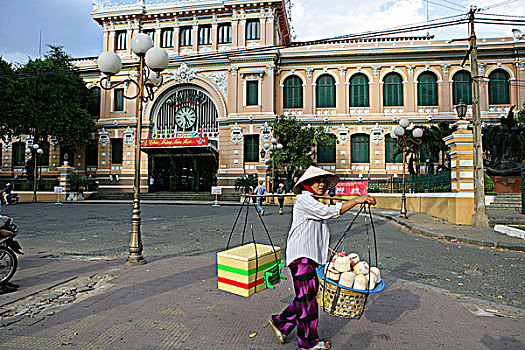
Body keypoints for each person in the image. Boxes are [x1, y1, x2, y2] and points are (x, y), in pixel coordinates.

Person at [268, 166, 376, 350]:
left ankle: (281, 322)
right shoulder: (303, 199)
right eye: (317, 181)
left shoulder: (312, 201)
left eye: (323, 182)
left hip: (311, 257)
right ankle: (308, 342)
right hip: (302, 257)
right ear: (307, 184)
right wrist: (357, 199)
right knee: (308, 301)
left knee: (306, 296)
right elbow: (329, 212)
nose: (321, 184)